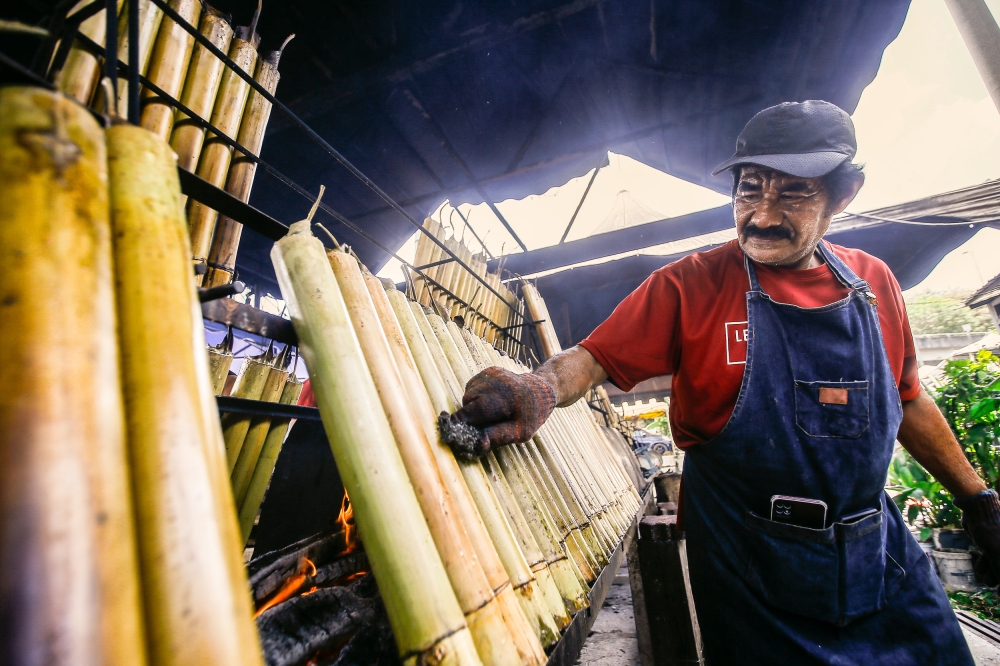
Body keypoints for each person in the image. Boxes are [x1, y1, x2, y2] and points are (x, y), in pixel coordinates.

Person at [446, 101, 1000, 664]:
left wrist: (978, 500)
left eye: (792, 194)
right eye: (749, 189)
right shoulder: (688, 285)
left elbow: (908, 400)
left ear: (844, 193)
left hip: (873, 547)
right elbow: (590, 358)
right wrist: (538, 389)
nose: (762, 215)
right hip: (748, 561)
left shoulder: (874, 282)